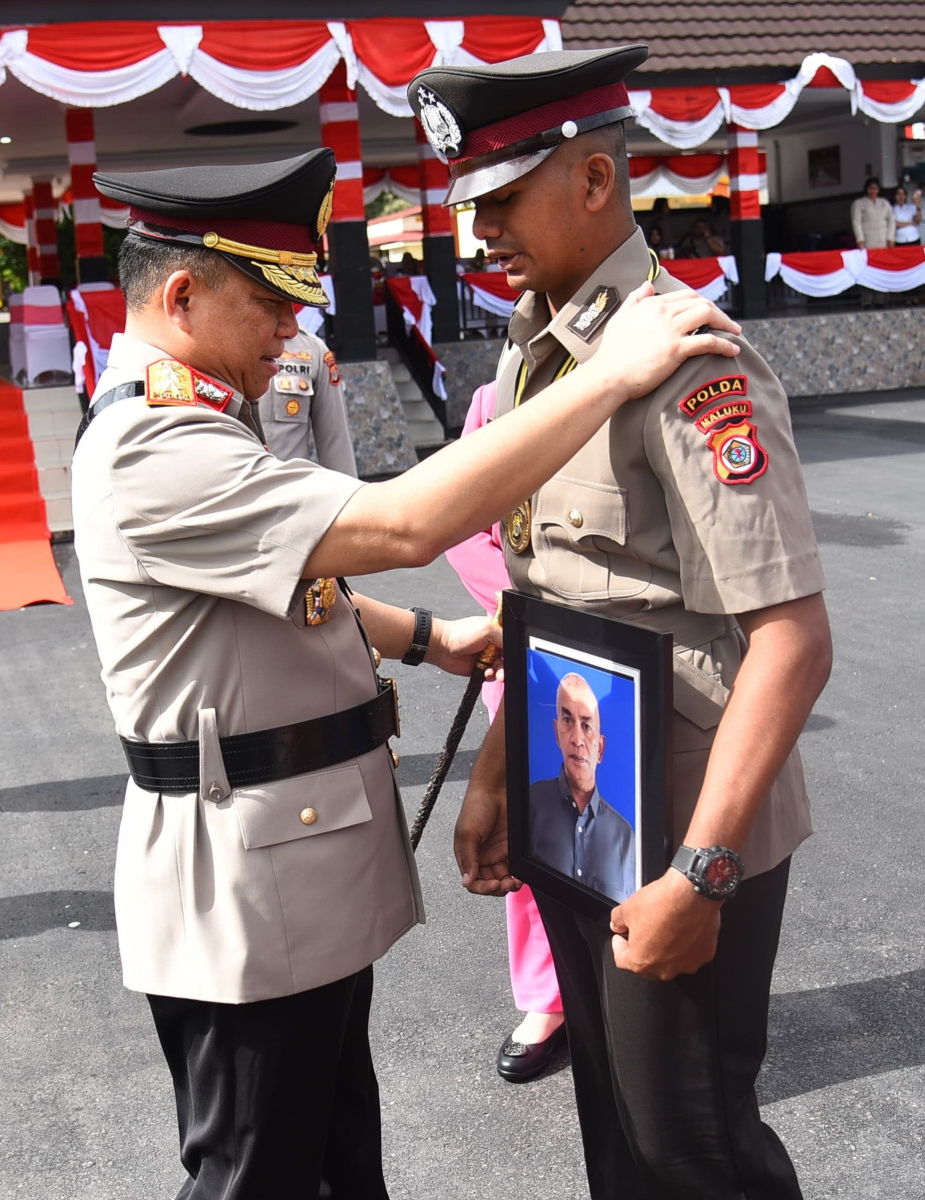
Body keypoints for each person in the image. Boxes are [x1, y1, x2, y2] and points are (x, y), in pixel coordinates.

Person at [74, 146, 741, 1200]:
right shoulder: (155, 446)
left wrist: (429, 640)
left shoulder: (205, 414)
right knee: (258, 1170)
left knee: (335, 1160)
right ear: (185, 294)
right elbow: (398, 522)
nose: (292, 329)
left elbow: (293, 588)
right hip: (248, 874)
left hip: (291, 854)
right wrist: (610, 371)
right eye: (269, 302)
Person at [410, 44, 832, 1200]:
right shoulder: (539, 345)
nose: (477, 232)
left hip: (686, 821)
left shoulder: (689, 360)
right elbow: (541, 590)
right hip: (578, 797)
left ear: (594, 182)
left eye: (499, 200)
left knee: (692, 1148)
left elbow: (791, 640)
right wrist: (499, 774)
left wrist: (702, 871)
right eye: (469, 207)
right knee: (616, 1135)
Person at [445, 381, 565, 1084]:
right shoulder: (497, 393)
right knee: (528, 830)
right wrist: (528, 614)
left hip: (636, 657)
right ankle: (547, 1000)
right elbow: (466, 524)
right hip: (527, 651)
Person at [529, 673, 635, 903]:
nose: (577, 739)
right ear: (556, 731)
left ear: (600, 749)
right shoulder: (531, 803)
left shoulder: (625, 837)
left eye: (587, 726)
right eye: (568, 721)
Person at [255, 327, 358, 475]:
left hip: (288, 490)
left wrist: (349, 495)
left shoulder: (312, 349)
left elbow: (336, 445)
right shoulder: (218, 344)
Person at [851, 177, 895, 248]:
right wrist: (860, 239)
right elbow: (856, 223)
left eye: (875, 189)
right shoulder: (859, 203)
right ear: (866, 189)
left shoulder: (884, 203)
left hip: (883, 240)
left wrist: (890, 237)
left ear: (878, 190)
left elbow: (891, 221)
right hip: (868, 240)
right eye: (870, 188)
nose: (873, 191)